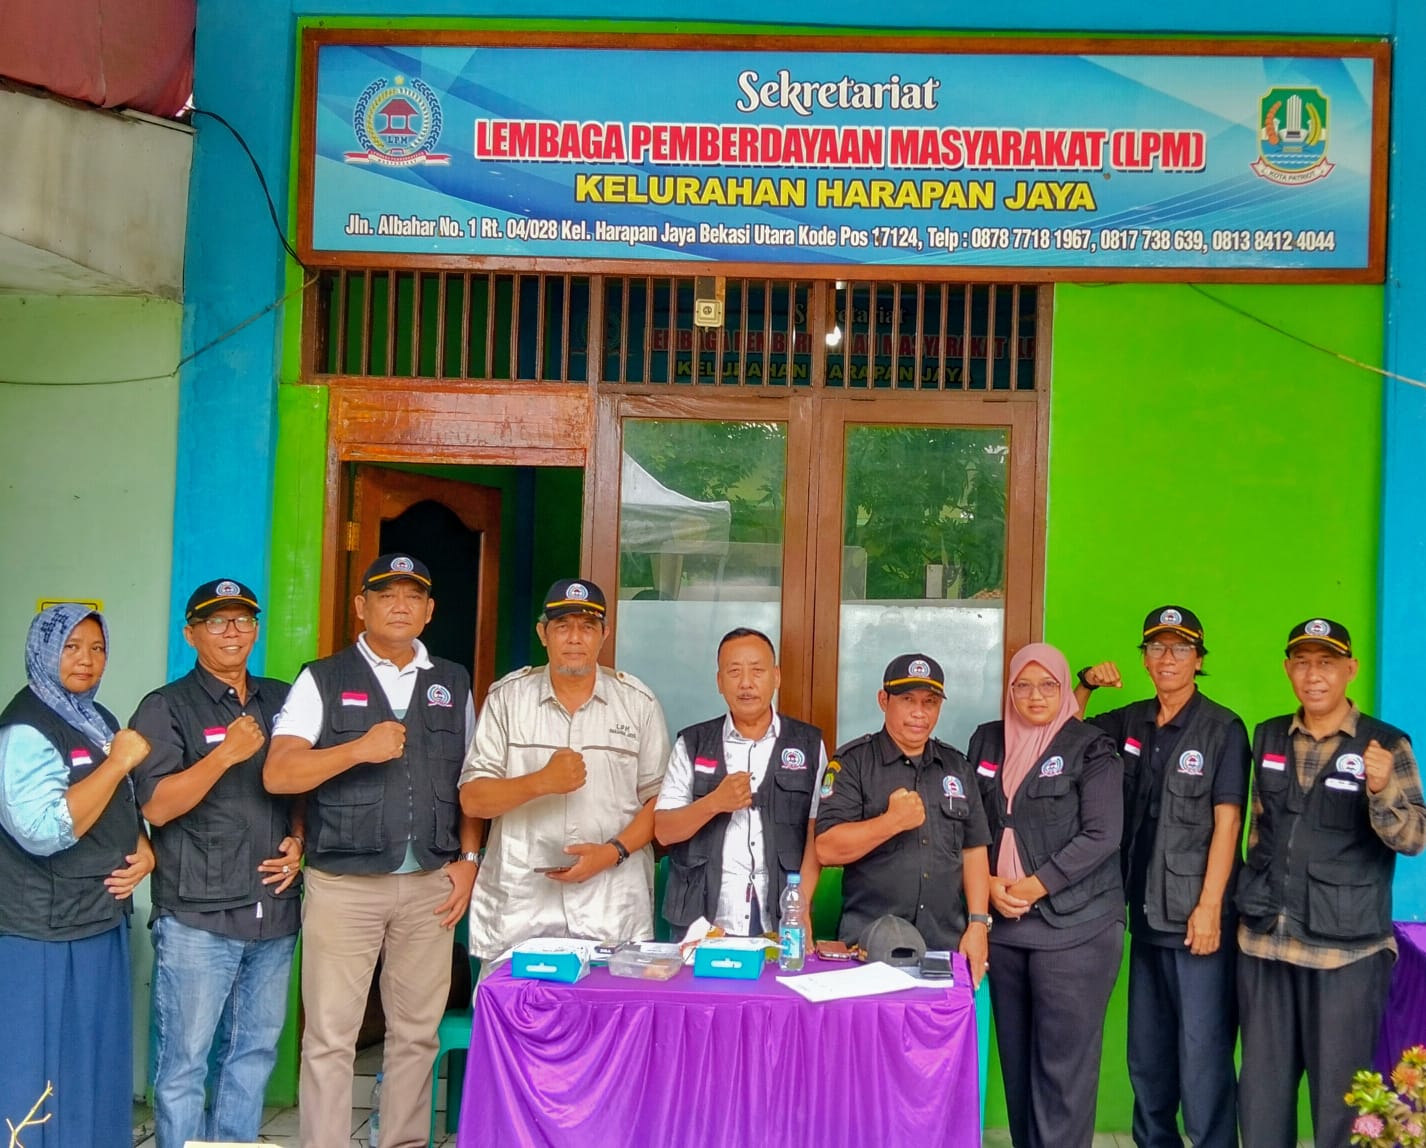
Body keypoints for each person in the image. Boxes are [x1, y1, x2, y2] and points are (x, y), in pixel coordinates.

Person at [265, 553, 480, 1148]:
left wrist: (469, 862)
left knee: (416, 1034)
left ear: (430, 610)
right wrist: (357, 749)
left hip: (431, 883)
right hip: (344, 884)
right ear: (361, 606)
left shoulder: (452, 681)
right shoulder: (323, 678)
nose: (401, 605)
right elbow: (280, 773)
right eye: (387, 595)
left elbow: (471, 780)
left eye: (413, 596)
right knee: (330, 1037)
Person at [1235, 618, 1426, 1148]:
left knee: (1340, 1105)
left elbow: (1413, 837)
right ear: (1287, 669)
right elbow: (1260, 832)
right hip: (1266, 946)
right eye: (1302, 662)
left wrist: (1382, 789)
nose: (1313, 675)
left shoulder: (1386, 744)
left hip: (1346, 953)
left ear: (1351, 670)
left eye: (1326, 663)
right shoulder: (1269, 735)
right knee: (1261, 1101)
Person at [129, 579, 303, 1148]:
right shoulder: (165, 707)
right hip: (197, 917)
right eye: (216, 621)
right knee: (185, 1063)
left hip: (273, 911)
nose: (233, 631)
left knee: (252, 1054)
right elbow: (157, 806)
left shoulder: (282, 699)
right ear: (191, 634)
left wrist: (300, 840)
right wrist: (225, 754)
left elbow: (304, 787)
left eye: (244, 620)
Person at [1076, 606, 1247, 1148]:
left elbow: (1229, 823)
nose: (1167, 658)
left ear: (1198, 660)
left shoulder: (1223, 729)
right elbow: (1062, 735)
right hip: (1145, 916)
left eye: (1180, 649)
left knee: (1203, 1056)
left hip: (1197, 922)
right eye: (1156, 647)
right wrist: (1085, 684)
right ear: (1145, 660)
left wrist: (1210, 908)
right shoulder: (1132, 721)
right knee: (1147, 1057)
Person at [0, 604, 154, 1146]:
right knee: (38, 1071)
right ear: (43, 652)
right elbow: (41, 831)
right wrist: (117, 763)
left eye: (97, 648)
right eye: (70, 647)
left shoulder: (95, 717)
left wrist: (144, 850)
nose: (86, 660)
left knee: (94, 1063)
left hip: (97, 919)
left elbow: (121, 805)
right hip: (41, 931)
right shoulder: (24, 729)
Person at [461, 578, 670, 969]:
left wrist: (610, 853)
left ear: (604, 634)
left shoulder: (637, 703)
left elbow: (660, 803)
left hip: (612, 909)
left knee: (610, 1010)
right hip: (521, 909)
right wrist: (540, 782)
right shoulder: (507, 698)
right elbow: (473, 799)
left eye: (587, 627)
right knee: (511, 1010)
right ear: (543, 634)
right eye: (562, 626)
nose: (575, 638)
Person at [971, 642, 1124, 1148]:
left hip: (1076, 929)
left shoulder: (1090, 747)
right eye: (1023, 685)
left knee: (1062, 1071)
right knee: (1017, 1067)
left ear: (1064, 692)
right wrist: (989, 883)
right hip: (1005, 929)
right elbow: (970, 824)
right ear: (1010, 690)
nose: (1035, 696)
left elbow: (1103, 835)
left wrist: (1034, 886)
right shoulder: (987, 740)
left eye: (1048, 685)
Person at [814, 654, 992, 985]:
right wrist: (891, 822)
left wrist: (979, 924)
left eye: (930, 702)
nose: (919, 712)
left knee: (946, 1022)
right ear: (884, 700)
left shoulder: (956, 767)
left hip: (944, 946)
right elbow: (827, 849)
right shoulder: (853, 763)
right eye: (907, 700)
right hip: (867, 947)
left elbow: (973, 850)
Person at [655, 627, 827, 936]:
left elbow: (816, 832)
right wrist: (713, 803)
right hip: (702, 919)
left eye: (757, 671)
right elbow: (664, 831)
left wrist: (799, 906)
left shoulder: (808, 744)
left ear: (776, 676)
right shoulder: (693, 743)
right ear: (719, 681)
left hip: (778, 915)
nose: (746, 683)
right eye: (734, 672)